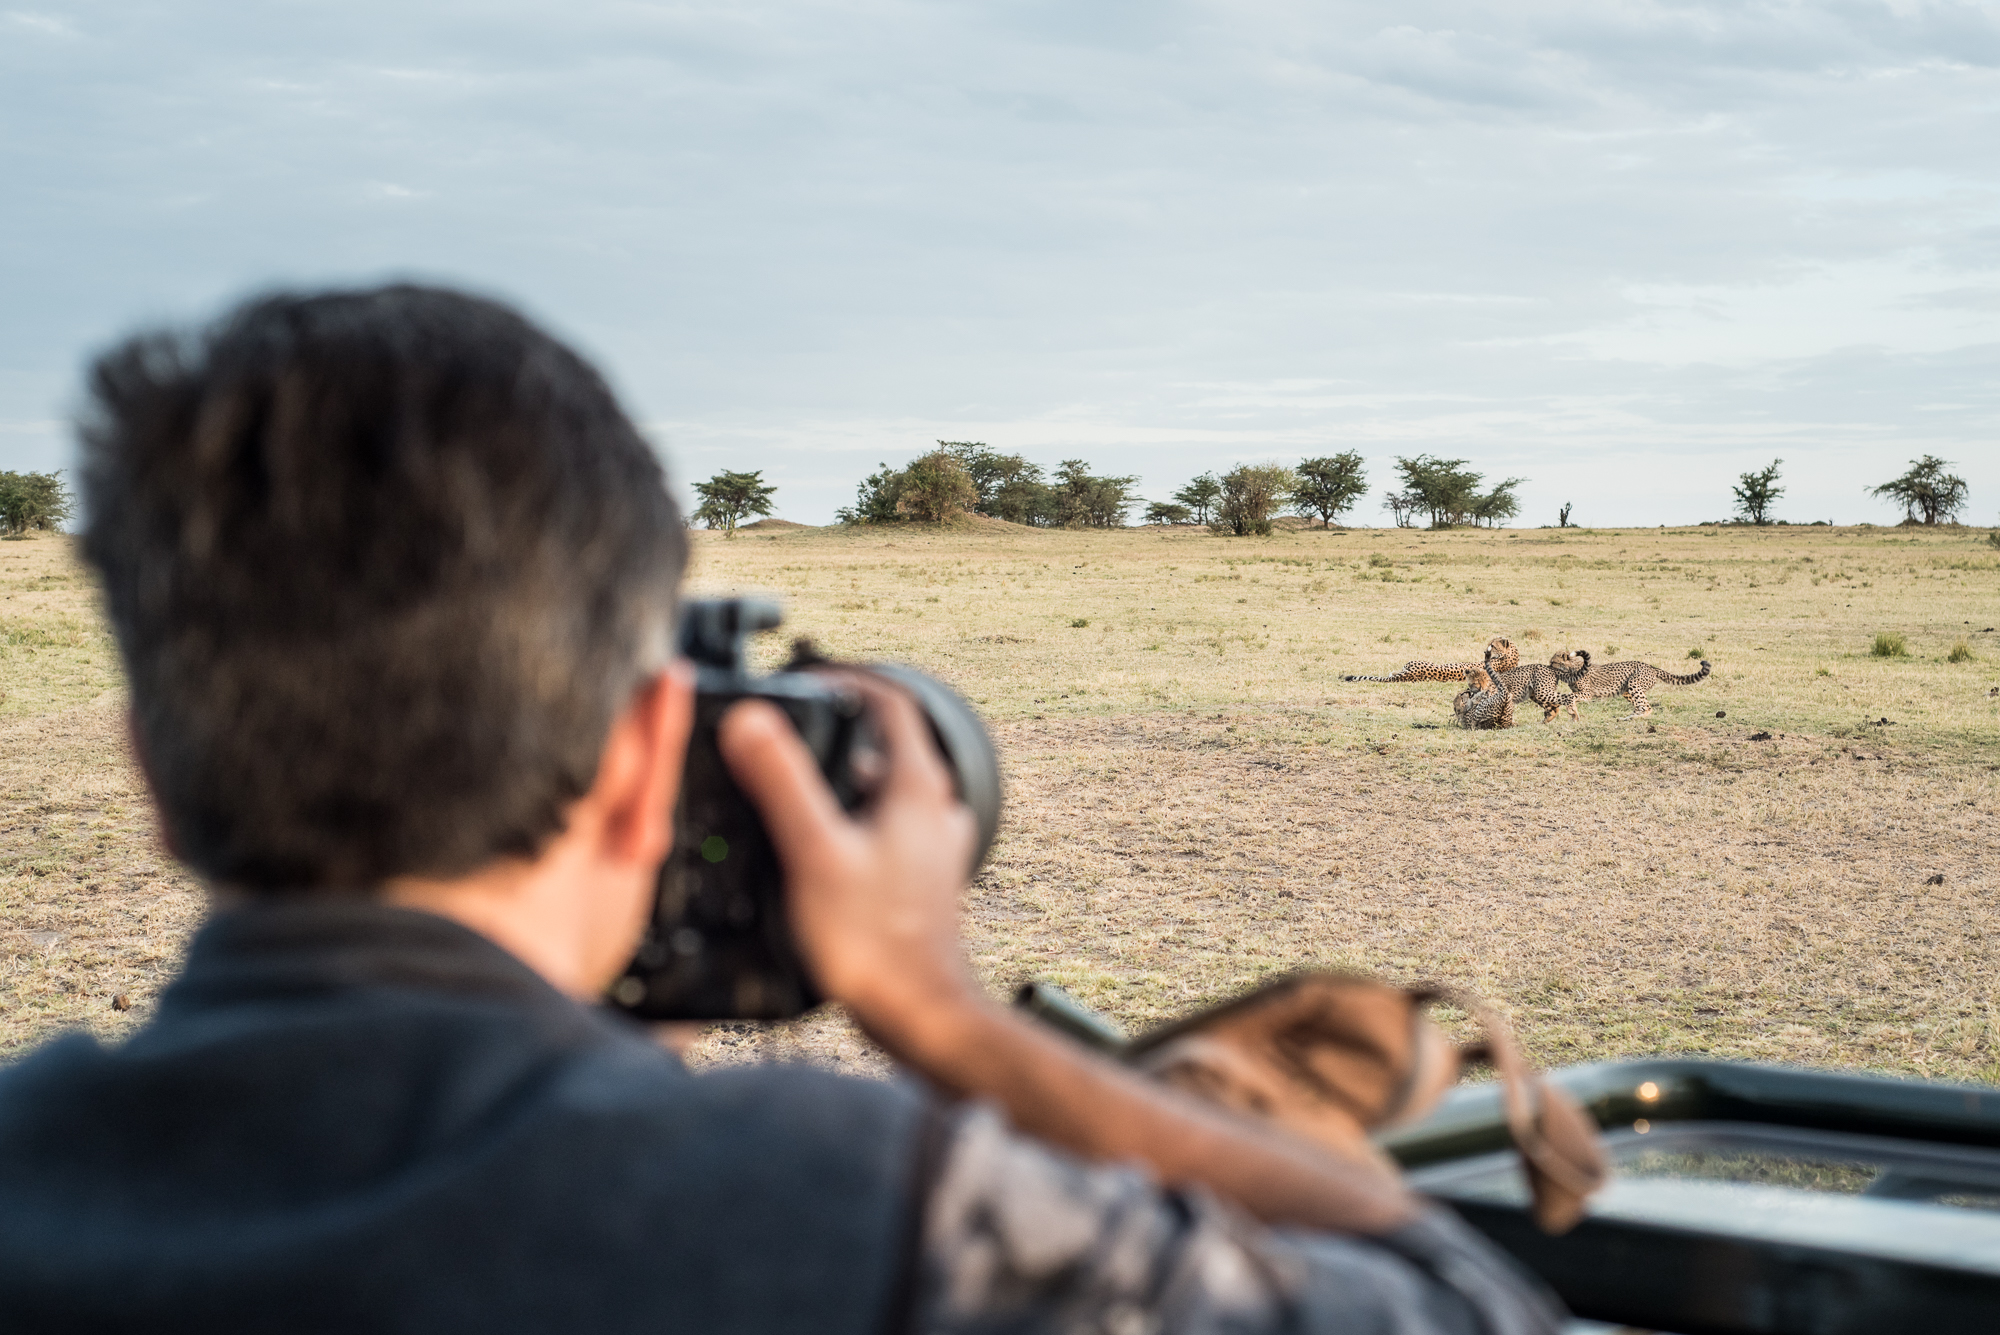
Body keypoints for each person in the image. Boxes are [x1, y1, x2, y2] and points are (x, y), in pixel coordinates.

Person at [0, 286, 1563, 1333]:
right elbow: (1455, 1300)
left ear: (149, 762)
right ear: (646, 754)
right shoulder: (850, 1205)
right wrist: (940, 1012)